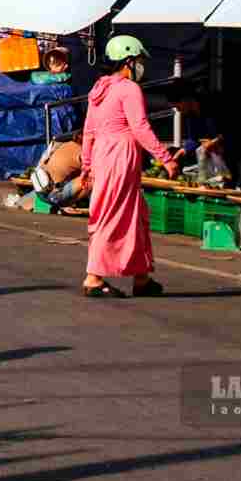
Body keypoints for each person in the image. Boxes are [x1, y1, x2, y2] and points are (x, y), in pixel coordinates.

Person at [82, 35, 178, 299]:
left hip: (103, 154)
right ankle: (93, 277)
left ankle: (142, 277)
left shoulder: (99, 88)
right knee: (114, 215)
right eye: (138, 61)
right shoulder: (128, 89)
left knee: (134, 215)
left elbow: (88, 131)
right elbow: (140, 128)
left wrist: (87, 164)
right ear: (128, 60)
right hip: (120, 156)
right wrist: (166, 158)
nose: (140, 66)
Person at [32, 136, 84, 209]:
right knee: (90, 179)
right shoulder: (82, 152)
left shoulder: (58, 143)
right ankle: (68, 205)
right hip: (55, 195)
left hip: (38, 190)